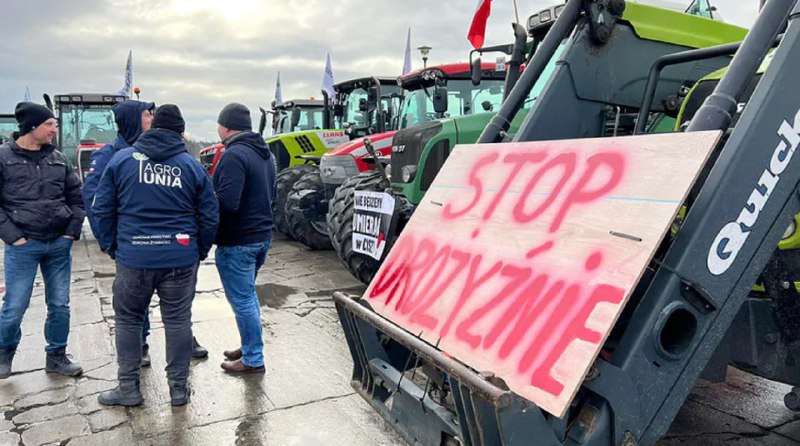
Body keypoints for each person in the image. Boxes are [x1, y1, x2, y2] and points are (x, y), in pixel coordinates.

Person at [93, 105, 218, 406]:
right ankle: (178, 390)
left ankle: (128, 388)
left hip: (134, 257)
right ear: (180, 133)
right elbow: (210, 215)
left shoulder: (122, 160)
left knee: (128, 320)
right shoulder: (191, 167)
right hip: (179, 256)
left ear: (152, 128)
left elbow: (101, 209)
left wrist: (113, 246)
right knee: (177, 320)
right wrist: (199, 250)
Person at [0, 102, 86, 379]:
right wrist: (14, 237)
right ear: (31, 127)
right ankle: (4, 353)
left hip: (58, 244)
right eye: (49, 124)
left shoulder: (58, 159)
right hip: (23, 246)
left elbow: (77, 198)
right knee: (15, 306)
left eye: (54, 125)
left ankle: (57, 356)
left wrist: (70, 232)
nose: (54, 130)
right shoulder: (3, 158)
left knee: (60, 304)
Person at [214, 103, 275, 374]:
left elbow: (227, 202)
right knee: (247, 297)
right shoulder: (265, 154)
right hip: (262, 236)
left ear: (226, 126)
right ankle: (249, 345)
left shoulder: (234, 155)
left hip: (238, 240)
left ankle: (252, 359)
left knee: (242, 300)